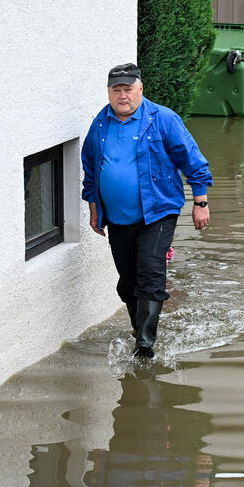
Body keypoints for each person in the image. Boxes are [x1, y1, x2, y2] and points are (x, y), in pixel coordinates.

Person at [81, 63, 212, 358]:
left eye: (128, 89)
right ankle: (138, 328)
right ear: (109, 93)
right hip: (116, 217)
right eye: (117, 90)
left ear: (140, 89)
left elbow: (192, 160)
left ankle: (145, 344)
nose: (122, 96)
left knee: (150, 275)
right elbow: (90, 170)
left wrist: (200, 203)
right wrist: (93, 209)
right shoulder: (100, 124)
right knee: (128, 283)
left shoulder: (163, 119)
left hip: (158, 212)